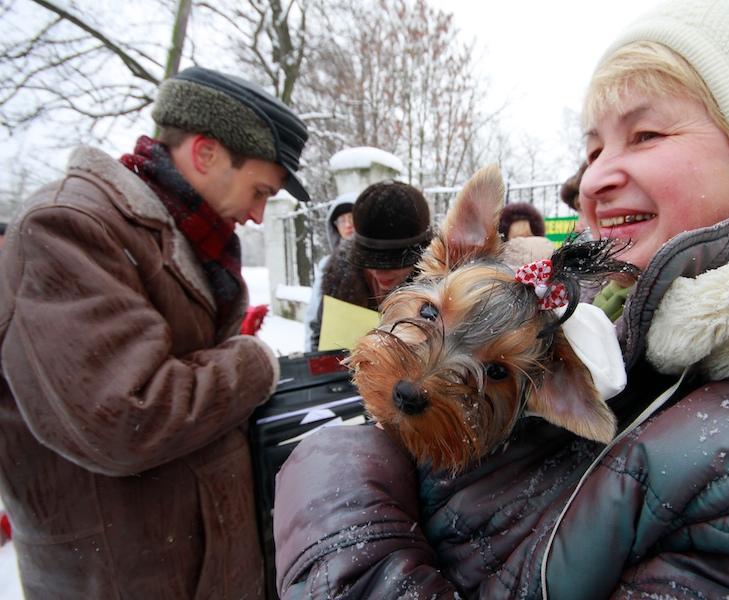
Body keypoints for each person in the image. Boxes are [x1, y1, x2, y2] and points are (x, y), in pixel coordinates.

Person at [273, 0, 729, 597]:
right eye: (594, 146)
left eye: (647, 133)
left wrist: (336, 483)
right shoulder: (619, 332)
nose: (594, 177)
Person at [0, 66, 311, 599]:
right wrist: (253, 363)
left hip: (201, 566)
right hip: (129, 577)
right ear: (206, 154)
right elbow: (125, 415)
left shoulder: (184, 239)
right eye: (260, 191)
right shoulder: (65, 230)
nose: (260, 216)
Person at [306, 180, 431, 351]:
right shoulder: (338, 277)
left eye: (395, 260)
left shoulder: (441, 293)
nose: (380, 272)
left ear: (423, 254)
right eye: (369, 259)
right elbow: (318, 334)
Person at [304, 193, 356, 350]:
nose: (348, 225)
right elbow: (314, 314)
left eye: (352, 218)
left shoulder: (377, 262)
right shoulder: (327, 264)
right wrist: (310, 352)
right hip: (333, 350)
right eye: (341, 221)